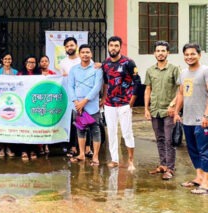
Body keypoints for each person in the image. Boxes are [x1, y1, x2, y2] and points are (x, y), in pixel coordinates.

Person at [102, 36, 141, 170]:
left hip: (125, 103)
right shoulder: (105, 64)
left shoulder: (128, 62)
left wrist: (132, 101)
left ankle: (131, 161)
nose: (113, 48)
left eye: (116, 45)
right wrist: (103, 98)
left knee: (127, 132)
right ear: (108, 47)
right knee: (111, 132)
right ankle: (115, 160)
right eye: (111, 45)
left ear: (120, 47)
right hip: (109, 105)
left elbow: (137, 82)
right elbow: (106, 82)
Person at [174, 43, 208, 194]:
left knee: (204, 151)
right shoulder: (183, 73)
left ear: (199, 55)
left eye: (193, 54)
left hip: (202, 120)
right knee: (193, 150)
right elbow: (180, 94)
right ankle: (199, 177)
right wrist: (176, 112)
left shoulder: (205, 71)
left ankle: (206, 183)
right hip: (187, 118)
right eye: (186, 54)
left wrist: (206, 115)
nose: (189, 57)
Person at [144, 41, 179, 180]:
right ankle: (163, 165)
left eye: (163, 51)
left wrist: (173, 105)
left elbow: (180, 89)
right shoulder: (150, 70)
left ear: (168, 53)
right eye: (158, 51)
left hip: (168, 111)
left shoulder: (174, 69)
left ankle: (170, 168)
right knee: (159, 139)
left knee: (169, 140)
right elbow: (148, 89)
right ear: (154, 53)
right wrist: (146, 108)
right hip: (155, 110)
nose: (160, 53)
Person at [67, 44, 103, 166]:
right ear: (79, 54)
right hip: (77, 107)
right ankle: (81, 154)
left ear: (91, 54)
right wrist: (76, 102)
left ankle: (96, 156)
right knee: (80, 130)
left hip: (91, 106)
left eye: (88, 52)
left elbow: (97, 87)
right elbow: (70, 87)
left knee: (95, 130)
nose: (85, 55)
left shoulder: (97, 69)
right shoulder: (74, 69)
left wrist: (84, 101)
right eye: (83, 52)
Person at [17, 55, 40, 160]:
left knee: (34, 128)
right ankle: (24, 150)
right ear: (25, 63)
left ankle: (33, 150)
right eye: (29, 62)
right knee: (24, 128)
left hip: (35, 105)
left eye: (33, 62)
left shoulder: (39, 75)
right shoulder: (20, 74)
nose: (31, 64)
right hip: (22, 104)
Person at [0, 52, 17, 157]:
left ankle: (9, 147)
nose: (7, 61)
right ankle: (1, 148)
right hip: (1, 102)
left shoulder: (16, 72)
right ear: (2, 60)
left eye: (9, 59)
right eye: (5, 59)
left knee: (10, 124)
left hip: (13, 102)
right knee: (1, 124)